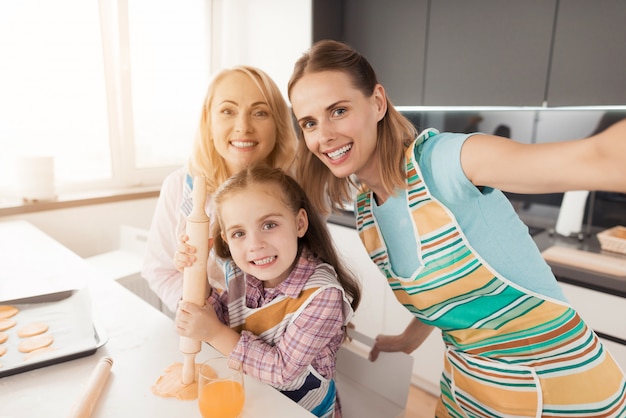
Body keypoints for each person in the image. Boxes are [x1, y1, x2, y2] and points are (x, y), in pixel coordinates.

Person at [287, 39, 626, 417]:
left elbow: (598, 158)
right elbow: (449, 293)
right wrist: (408, 338)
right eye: (310, 123)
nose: (324, 136)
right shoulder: (369, 216)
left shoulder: (446, 162)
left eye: (338, 110)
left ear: (378, 102)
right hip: (469, 388)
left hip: (560, 390)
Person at [175, 166, 361, 418]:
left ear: (300, 223)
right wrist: (198, 279)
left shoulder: (323, 296)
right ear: (227, 241)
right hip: (252, 400)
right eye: (239, 233)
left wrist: (214, 332)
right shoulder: (241, 274)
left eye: (269, 224)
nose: (255, 245)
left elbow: (282, 371)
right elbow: (220, 318)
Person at [142, 66, 297, 314]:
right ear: (209, 121)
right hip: (208, 339)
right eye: (227, 111)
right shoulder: (180, 187)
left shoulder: (296, 188)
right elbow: (159, 270)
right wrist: (203, 311)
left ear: (278, 124)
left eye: (260, 113)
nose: (243, 126)